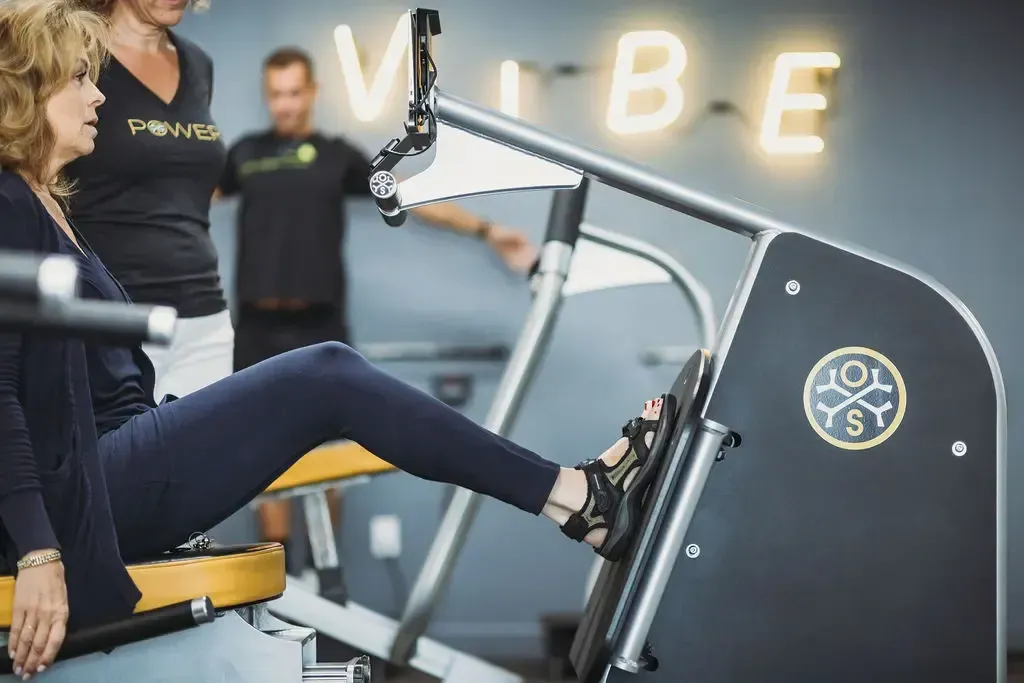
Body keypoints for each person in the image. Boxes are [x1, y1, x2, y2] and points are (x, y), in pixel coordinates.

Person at [0, 2, 668, 679]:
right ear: (27, 89)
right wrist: (36, 551)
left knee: (326, 374)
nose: (99, 94)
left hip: (115, 460)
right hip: (88, 491)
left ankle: (579, 501)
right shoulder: (6, 202)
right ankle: (577, 498)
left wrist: (489, 230)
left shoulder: (49, 201)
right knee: (328, 374)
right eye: (79, 79)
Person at [218, 47, 539, 569]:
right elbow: (180, 200)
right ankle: (277, 602)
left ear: (313, 92)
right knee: (266, 466)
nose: (285, 105)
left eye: (294, 93)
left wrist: (487, 230)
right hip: (255, 330)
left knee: (327, 462)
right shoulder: (244, 154)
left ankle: (325, 583)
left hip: (319, 327)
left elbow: (407, 194)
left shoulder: (335, 154)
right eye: (275, 94)